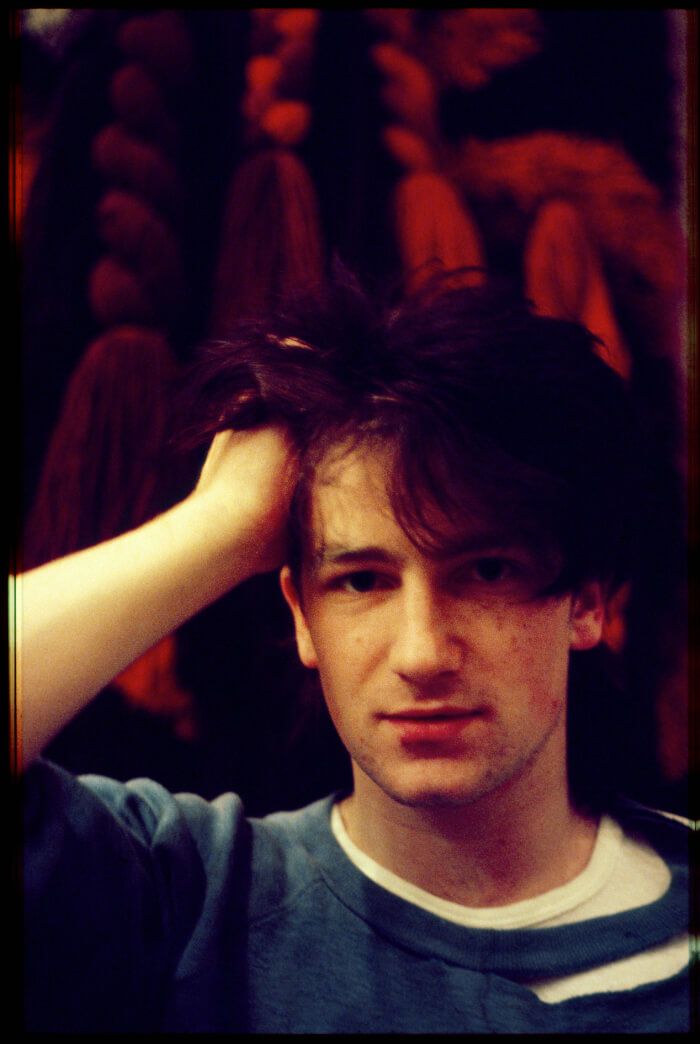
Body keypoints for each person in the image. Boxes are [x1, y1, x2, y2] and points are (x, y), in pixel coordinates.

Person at [20, 270, 689, 1032]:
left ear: (589, 602)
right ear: (302, 617)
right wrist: (220, 523)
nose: (422, 653)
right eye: (363, 580)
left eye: (487, 572)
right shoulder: (187, 897)